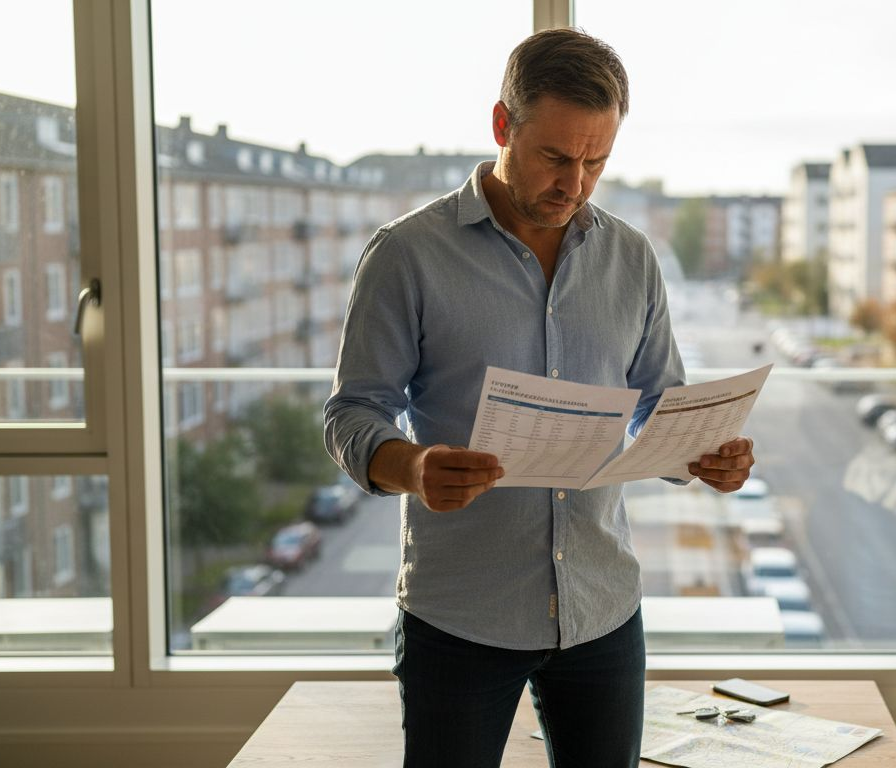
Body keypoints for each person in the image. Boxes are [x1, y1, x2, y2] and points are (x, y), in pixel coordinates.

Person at [323, 27, 757, 768]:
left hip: (602, 605)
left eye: (597, 161)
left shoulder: (632, 257)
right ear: (503, 126)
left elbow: (660, 400)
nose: (575, 183)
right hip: (460, 613)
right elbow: (351, 413)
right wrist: (415, 465)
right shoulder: (406, 254)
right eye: (555, 156)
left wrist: (702, 455)